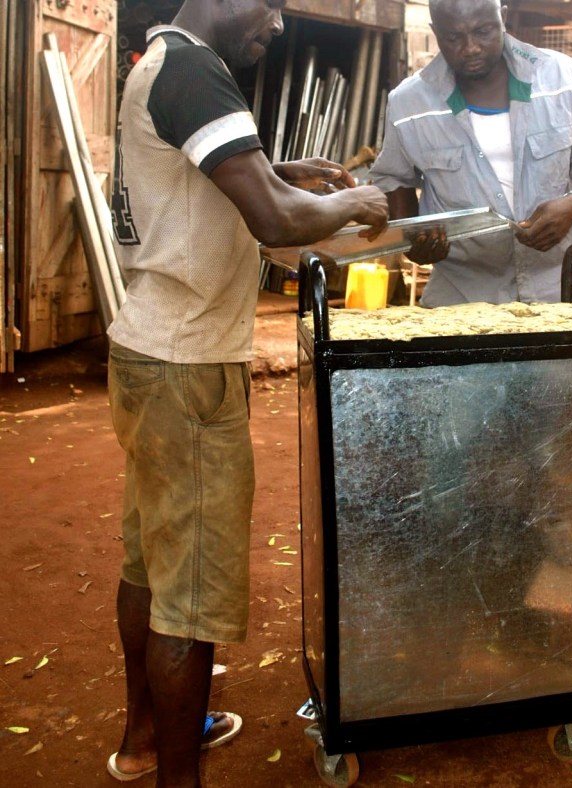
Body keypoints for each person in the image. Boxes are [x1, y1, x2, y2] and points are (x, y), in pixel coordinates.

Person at [105, 0, 388, 784]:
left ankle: (143, 738)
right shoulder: (197, 69)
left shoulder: (162, 63)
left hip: (148, 349)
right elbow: (272, 217)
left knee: (150, 563)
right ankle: (177, 776)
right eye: (270, 5)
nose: (278, 24)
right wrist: (354, 203)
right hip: (190, 368)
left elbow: (217, 183)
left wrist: (282, 171)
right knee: (190, 597)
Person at [369, 0, 572, 308]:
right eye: (453, 37)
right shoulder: (409, 103)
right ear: (435, 31)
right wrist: (412, 238)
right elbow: (394, 179)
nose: (470, 48)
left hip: (557, 292)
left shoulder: (560, 77)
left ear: (502, 17)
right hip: (460, 299)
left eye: (483, 31)